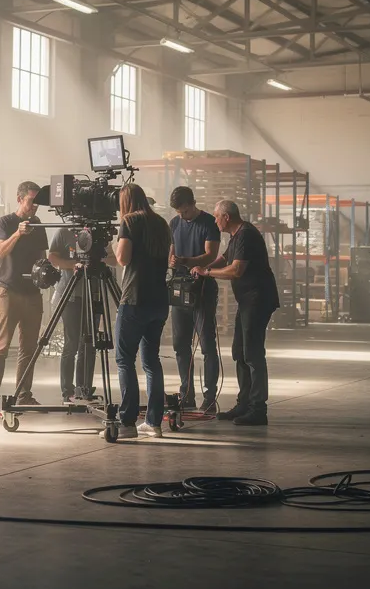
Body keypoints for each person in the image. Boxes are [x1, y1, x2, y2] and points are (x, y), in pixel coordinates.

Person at [193, 200, 278, 426]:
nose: (214, 221)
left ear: (226, 217)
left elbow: (236, 269)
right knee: (239, 351)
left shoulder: (247, 235)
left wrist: (208, 272)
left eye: (216, 217)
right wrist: (196, 265)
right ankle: (244, 403)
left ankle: (258, 409)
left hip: (258, 300)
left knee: (252, 353)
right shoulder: (237, 236)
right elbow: (224, 258)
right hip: (247, 301)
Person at [109, 183, 172, 439]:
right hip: (159, 301)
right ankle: (154, 422)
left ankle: (127, 423)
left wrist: (114, 243)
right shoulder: (161, 223)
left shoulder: (129, 221)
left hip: (134, 299)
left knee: (124, 360)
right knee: (151, 361)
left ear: (125, 202)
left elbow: (122, 258)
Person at [0, 181, 50, 414]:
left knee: (29, 349)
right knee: (1, 347)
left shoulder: (39, 224)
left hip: (32, 292)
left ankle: (24, 394)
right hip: (8, 290)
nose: (35, 207)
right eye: (32, 201)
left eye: (38, 203)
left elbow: (43, 256)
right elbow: (1, 251)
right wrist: (18, 233)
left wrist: (46, 276)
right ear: (20, 199)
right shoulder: (6, 222)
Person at [167, 186, 221, 414]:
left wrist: (186, 261)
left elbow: (211, 254)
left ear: (193, 204)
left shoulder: (209, 223)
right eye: (179, 212)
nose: (182, 215)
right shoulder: (174, 223)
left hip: (202, 288)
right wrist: (172, 261)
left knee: (207, 345)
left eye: (185, 211)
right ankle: (186, 393)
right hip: (179, 287)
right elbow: (171, 251)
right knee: (181, 345)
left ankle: (209, 397)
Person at [48, 226, 94, 404]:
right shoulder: (63, 231)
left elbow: (113, 258)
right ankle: (67, 390)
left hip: (92, 294)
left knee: (89, 345)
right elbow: (52, 257)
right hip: (70, 294)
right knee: (71, 344)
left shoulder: (96, 231)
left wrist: (96, 262)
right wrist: (73, 265)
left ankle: (84, 388)